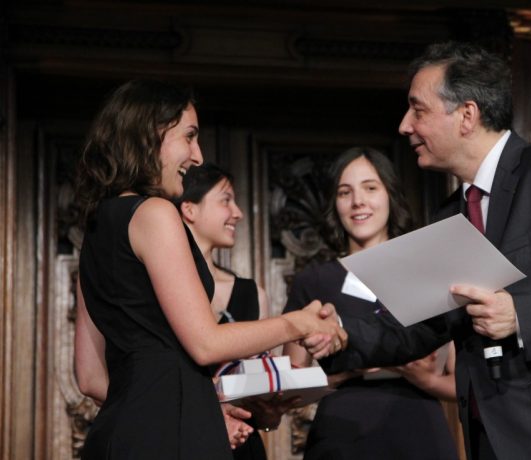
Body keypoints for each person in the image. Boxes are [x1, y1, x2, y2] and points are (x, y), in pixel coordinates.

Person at [317, 42, 531, 460]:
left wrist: (520, 313)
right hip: (492, 440)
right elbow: (420, 324)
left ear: (467, 114)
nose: (405, 126)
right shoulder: (448, 214)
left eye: (418, 110)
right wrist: (337, 334)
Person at [73, 79, 346, 460]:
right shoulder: (154, 213)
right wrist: (300, 324)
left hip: (119, 434)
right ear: (152, 131)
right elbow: (206, 344)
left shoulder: (96, 228)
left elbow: (88, 376)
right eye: (189, 136)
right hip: (173, 441)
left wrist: (200, 407)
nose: (197, 155)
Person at [283, 146, 459, 460]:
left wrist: (427, 379)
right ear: (334, 205)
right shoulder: (314, 281)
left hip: (419, 432)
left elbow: (464, 384)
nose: (358, 202)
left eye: (370, 188)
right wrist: (337, 376)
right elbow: (288, 387)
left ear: (390, 195)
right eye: (344, 192)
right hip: (341, 435)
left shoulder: (428, 272)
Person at [177, 162, 296, 459]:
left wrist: (269, 414)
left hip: (240, 449)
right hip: (177, 441)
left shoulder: (252, 294)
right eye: (226, 200)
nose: (238, 213)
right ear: (189, 209)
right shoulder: (159, 290)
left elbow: (261, 406)